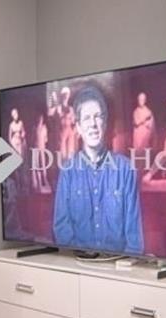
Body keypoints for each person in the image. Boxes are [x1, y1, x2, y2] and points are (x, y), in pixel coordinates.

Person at [52, 85, 143, 255]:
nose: (93, 124)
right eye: (86, 118)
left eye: (98, 117)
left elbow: (134, 238)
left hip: (117, 266)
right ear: (78, 127)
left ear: (105, 123)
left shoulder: (126, 170)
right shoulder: (68, 172)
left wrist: (124, 267)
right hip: (78, 264)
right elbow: (62, 229)